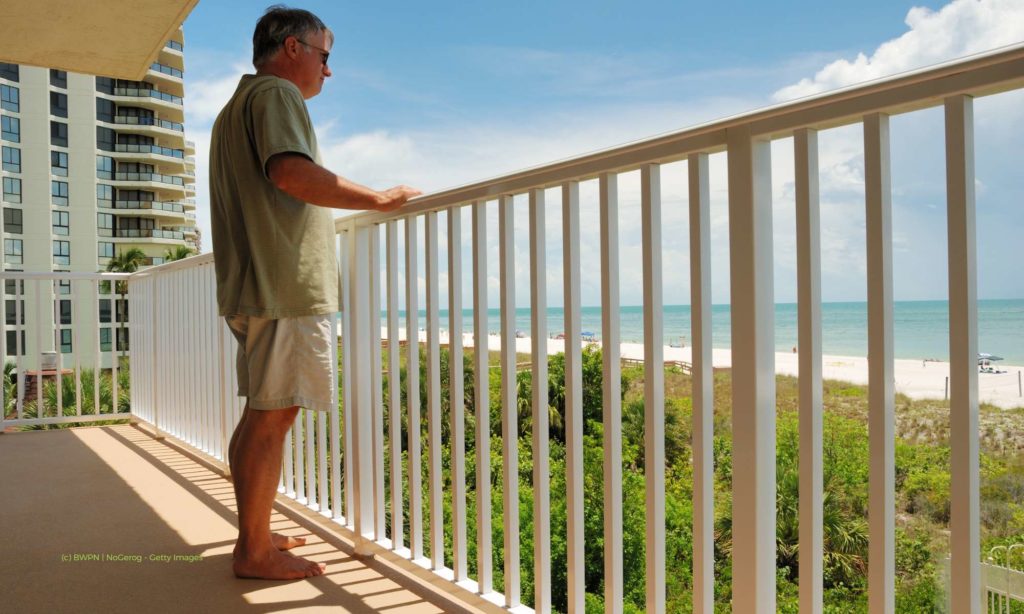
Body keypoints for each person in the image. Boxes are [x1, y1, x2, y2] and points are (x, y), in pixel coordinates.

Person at [210, 5, 420, 580]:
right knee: (272, 418)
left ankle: (254, 532)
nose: (329, 71)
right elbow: (290, 174)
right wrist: (378, 198)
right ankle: (253, 553)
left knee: (260, 417)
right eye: (326, 56)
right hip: (283, 285)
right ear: (294, 48)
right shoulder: (276, 96)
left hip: (253, 282)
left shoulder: (235, 107)